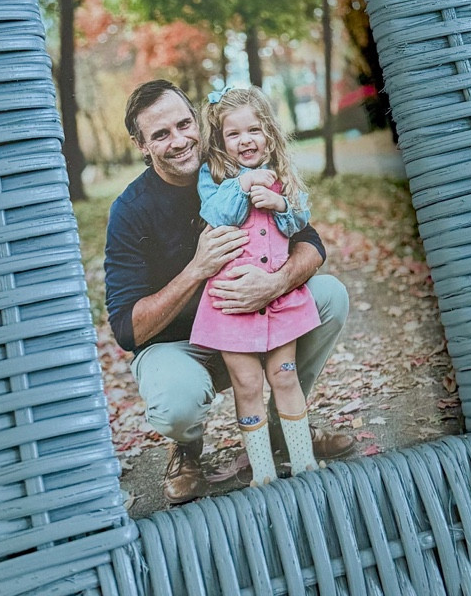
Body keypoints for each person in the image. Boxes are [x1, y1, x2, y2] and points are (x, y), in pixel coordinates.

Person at [103, 79, 354, 506]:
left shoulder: (233, 166)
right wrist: (196, 270)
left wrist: (275, 283)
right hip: (184, 346)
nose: (179, 141)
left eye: (185, 124)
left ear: (199, 122)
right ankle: (186, 449)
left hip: (259, 318)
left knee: (329, 294)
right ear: (141, 145)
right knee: (174, 400)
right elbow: (128, 328)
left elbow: (311, 244)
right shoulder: (130, 211)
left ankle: (284, 426)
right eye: (161, 135)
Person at [191, 86, 320, 487]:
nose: (245, 140)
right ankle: (262, 472)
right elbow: (216, 215)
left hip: (278, 298)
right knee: (246, 384)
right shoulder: (214, 177)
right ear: (221, 140)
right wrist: (244, 185)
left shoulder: (282, 174)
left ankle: (303, 462)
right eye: (234, 134)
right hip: (231, 302)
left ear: (269, 132)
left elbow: (300, 219)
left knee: (284, 374)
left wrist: (279, 203)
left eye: (254, 130)